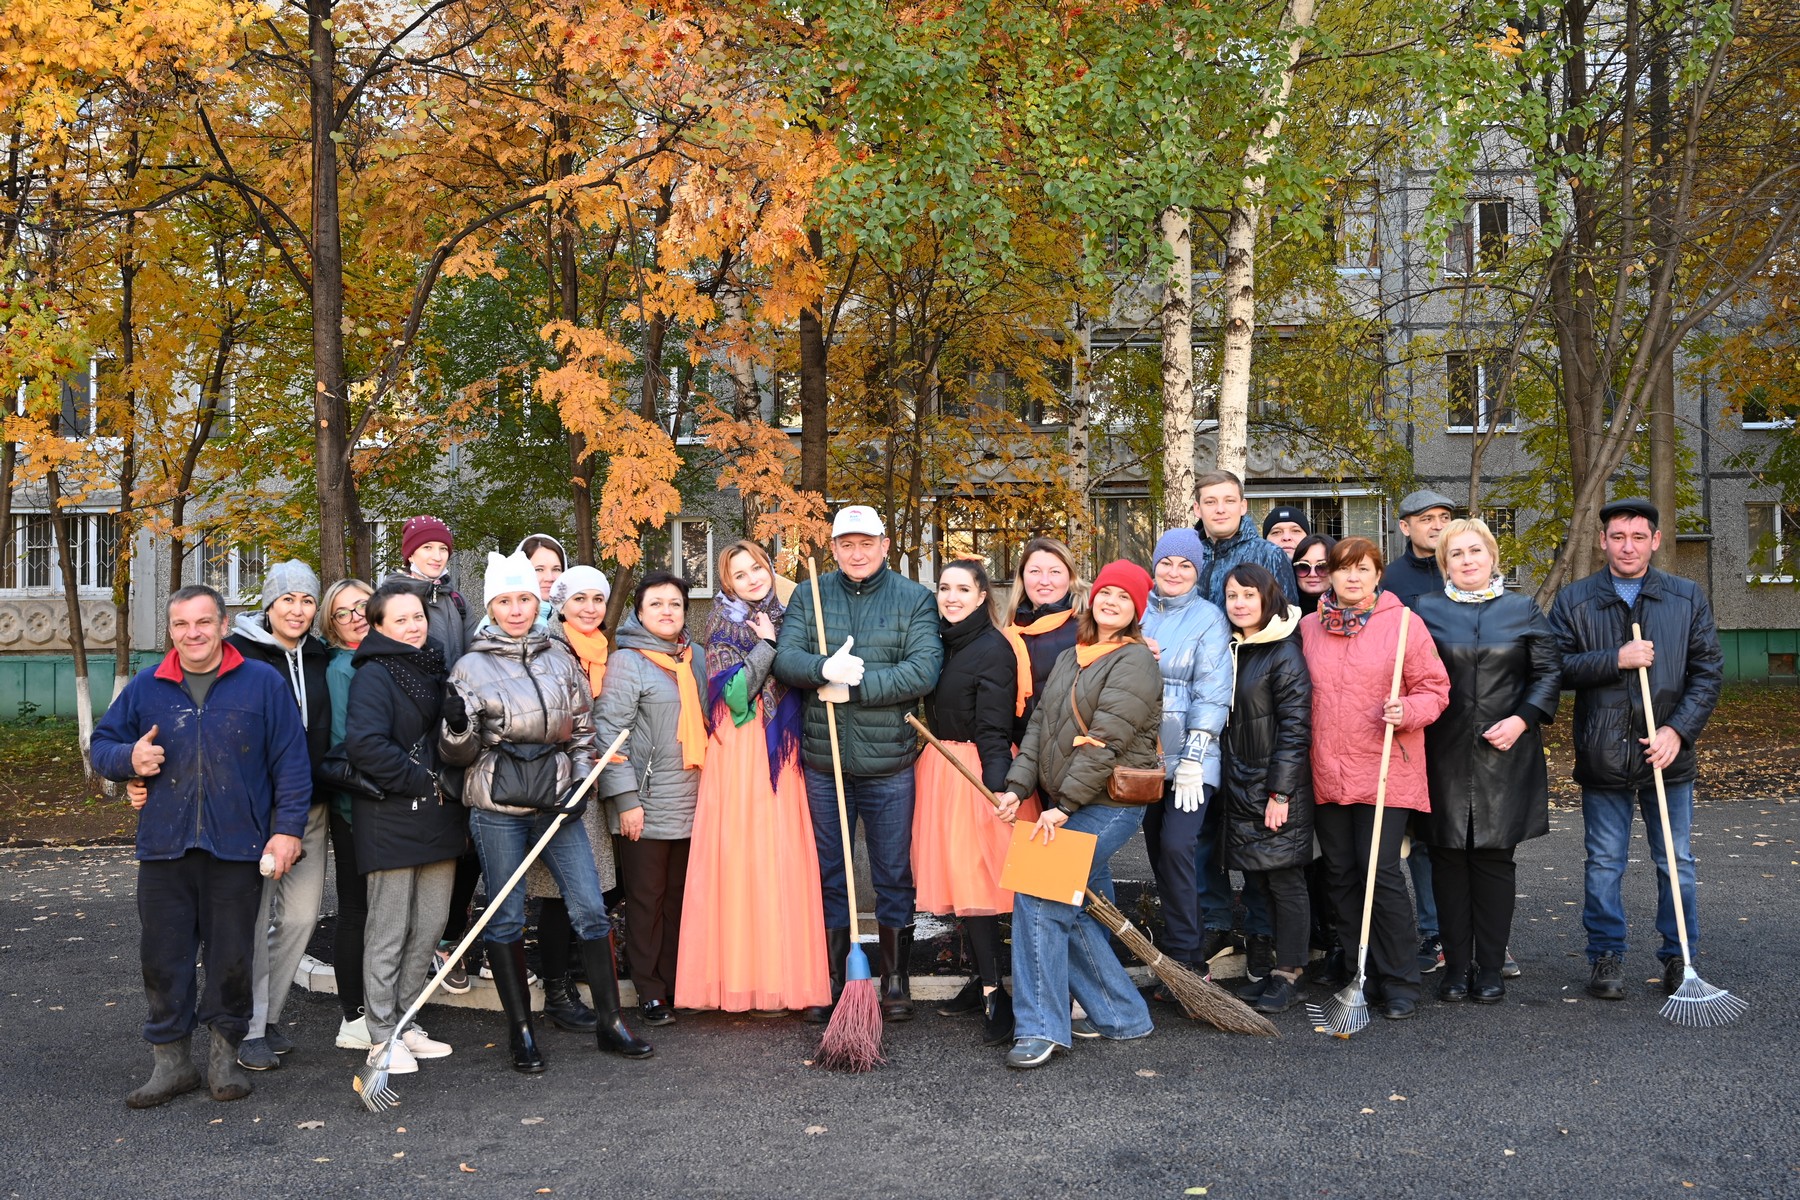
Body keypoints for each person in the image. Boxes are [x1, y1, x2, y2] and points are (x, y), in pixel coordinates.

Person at [93, 584, 311, 1107]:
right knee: (163, 957)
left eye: (203, 622)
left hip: (237, 848)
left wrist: (287, 831)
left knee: (231, 957)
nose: (192, 634)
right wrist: (129, 762)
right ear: (170, 630)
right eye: (181, 625)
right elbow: (102, 745)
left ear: (223, 625)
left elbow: (292, 763)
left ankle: (222, 1060)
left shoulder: (261, 683)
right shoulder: (147, 687)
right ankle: (171, 1065)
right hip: (164, 848)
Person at [441, 550, 652, 1072]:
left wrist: (582, 783)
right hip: (497, 806)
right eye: (505, 601)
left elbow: (583, 731)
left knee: (589, 906)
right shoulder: (470, 666)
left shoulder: (559, 658)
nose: (516, 609)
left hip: (559, 803)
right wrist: (457, 727)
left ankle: (610, 1022)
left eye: (525, 599)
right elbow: (457, 755)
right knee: (507, 915)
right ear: (492, 605)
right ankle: (521, 1031)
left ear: (538, 602)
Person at [1548, 498, 1724, 1002]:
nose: (1628, 546)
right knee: (1604, 861)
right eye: (1618, 537)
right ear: (1602, 541)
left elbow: (1707, 672)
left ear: (1656, 540)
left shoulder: (1686, 597)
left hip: (1667, 756)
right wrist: (1616, 658)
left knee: (1676, 861)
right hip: (1603, 753)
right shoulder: (1576, 600)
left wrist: (1678, 732)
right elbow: (1555, 669)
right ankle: (1606, 954)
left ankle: (1678, 957)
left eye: (1638, 537)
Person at [774, 505, 943, 1022]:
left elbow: (923, 671)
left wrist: (855, 685)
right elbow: (785, 657)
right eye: (846, 543)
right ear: (834, 547)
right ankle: (836, 978)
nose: (856, 552)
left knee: (893, 873)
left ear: (885, 545)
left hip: (890, 761)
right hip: (825, 764)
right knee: (832, 873)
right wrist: (820, 666)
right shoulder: (810, 594)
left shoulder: (915, 599)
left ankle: (895, 981)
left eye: (866, 542)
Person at [993, 561, 1162, 1068]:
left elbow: (1104, 741)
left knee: (1039, 895)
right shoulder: (1073, 655)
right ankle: (1121, 1015)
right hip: (1067, 802)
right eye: (1106, 592)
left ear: (1136, 611)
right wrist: (1016, 787)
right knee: (1077, 905)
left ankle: (1041, 1026)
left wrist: (1063, 806)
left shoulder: (1135, 662)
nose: (1111, 602)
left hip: (1107, 806)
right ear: (1093, 597)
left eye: (1124, 598)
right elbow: (1040, 727)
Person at [675, 542, 829, 1015]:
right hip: (741, 748)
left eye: (756, 568)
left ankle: (784, 978)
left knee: (780, 857)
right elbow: (737, 697)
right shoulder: (721, 622)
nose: (751, 579)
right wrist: (766, 644)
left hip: (784, 747)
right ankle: (739, 979)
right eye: (739, 575)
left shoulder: (794, 612)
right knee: (742, 858)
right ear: (727, 584)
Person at [1301, 536, 1450, 1021]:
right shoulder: (1307, 629)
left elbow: (1435, 689)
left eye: (1362, 568)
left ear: (1377, 574)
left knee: (1378, 871)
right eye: (1342, 569)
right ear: (1329, 576)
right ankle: (1357, 969)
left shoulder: (1404, 625)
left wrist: (1406, 709)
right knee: (1340, 873)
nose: (1352, 577)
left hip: (1386, 768)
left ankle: (1400, 978)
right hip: (1326, 769)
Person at [1413, 520, 1561, 1004]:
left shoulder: (1522, 609)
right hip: (1442, 752)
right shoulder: (1425, 610)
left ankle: (1492, 967)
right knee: (1447, 859)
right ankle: (1456, 967)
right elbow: (1408, 672)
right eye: (1456, 554)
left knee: (1496, 860)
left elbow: (1547, 672)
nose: (1468, 561)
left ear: (1494, 557)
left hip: (1506, 754)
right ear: (1444, 564)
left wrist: (1522, 719)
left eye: (1476, 551)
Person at [344, 584, 467, 1075]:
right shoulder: (373, 675)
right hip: (392, 816)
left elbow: (455, 743)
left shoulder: (436, 668)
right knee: (390, 930)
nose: (415, 626)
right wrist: (424, 779)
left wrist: (458, 730)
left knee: (429, 926)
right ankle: (379, 1036)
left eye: (418, 617)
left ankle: (405, 1020)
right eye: (401, 620)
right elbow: (365, 746)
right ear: (377, 627)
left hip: (439, 814)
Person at [914, 559, 1036, 1045]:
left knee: (980, 887)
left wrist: (998, 788)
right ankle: (977, 979)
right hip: (941, 767)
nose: (951, 596)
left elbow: (994, 727)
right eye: (944, 587)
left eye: (963, 589)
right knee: (963, 886)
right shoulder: (940, 642)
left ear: (983, 595)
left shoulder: (993, 648)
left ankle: (994, 991)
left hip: (975, 775)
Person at [228, 560, 332, 1071]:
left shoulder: (319, 657)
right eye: (287, 599)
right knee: (251, 920)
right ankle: (247, 1027)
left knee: (300, 917)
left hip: (311, 809)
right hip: (258, 813)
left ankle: (266, 1016)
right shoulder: (240, 657)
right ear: (268, 605)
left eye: (307, 600)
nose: (297, 609)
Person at [593, 570, 707, 1027]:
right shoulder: (629, 661)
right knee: (647, 899)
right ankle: (649, 989)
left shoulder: (693, 657)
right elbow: (608, 734)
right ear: (639, 612)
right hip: (645, 800)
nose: (666, 611)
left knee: (682, 899)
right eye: (656, 603)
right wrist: (625, 801)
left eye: (675, 603)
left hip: (695, 797)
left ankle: (679, 980)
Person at [382, 515, 481, 991]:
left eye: (443, 548)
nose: (437, 555)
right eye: (428, 548)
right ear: (409, 552)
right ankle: (415, 947)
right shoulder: (400, 595)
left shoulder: (453, 597)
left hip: (456, 716)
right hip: (417, 718)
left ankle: (445, 939)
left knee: (463, 839)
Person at [1220, 564, 1315, 1015]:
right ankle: (1275, 966)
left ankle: (1290, 972)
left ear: (1267, 599)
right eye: (1232, 596)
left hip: (1276, 787)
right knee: (1259, 879)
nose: (1239, 603)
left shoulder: (1283, 652)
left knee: (1285, 879)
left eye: (1248, 596)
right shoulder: (1237, 648)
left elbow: (1296, 729)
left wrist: (1280, 794)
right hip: (1241, 784)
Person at [1138, 528, 1232, 982]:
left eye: (1186, 565)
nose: (1174, 572)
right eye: (1167, 563)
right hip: (1145, 760)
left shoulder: (1209, 619)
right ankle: (1179, 951)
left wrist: (1194, 757)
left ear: (1198, 571)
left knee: (1179, 847)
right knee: (1159, 852)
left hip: (1194, 761)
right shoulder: (1138, 614)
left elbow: (1213, 695)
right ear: (1154, 564)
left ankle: (1188, 962)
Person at [531, 565, 618, 1033]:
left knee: (595, 887)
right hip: (558, 782)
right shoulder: (549, 647)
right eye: (579, 599)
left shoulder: (602, 650)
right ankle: (557, 990)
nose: (589, 608)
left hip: (596, 779)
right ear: (561, 604)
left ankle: (571, 973)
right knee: (557, 893)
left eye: (597, 600)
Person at [1382, 489, 1459, 976]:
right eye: (1425, 518)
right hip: (1406, 721)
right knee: (1415, 835)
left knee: (1455, 834)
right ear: (1405, 526)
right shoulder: (1390, 581)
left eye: (1444, 517)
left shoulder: (1465, 569)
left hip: (1457, 720)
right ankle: (1431, 932)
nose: (1436, 525)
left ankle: (1463, 928)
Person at [321, 578, 374, 1051]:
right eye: (343, 612)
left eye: (362, 605)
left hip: (388, 804)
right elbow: (345, 745)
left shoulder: (386, 655)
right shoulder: (343, 668)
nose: (356, 615)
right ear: (332, 625)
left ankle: (383, 1012)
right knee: (357, 909)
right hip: (357, 805)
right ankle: (354, 1017)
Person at [1191, 470, 1298, 607]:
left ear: (1242, 506)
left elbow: (1286, 619)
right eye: (1210, 502)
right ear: (1197, 508)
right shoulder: (1186, 556)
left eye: (1229, 501)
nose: (1220, 509)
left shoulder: (1269, 555)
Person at [518, 533, 569, 629]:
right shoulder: (506, 623)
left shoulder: (573, 621)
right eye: (539, 569)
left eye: (556, 569)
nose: (549, 578)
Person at [1290, 533, 1337, 618]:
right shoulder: (1279, 612)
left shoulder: (1353, 611)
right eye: (1303, 566)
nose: (1312, 574)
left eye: (1322, 566)